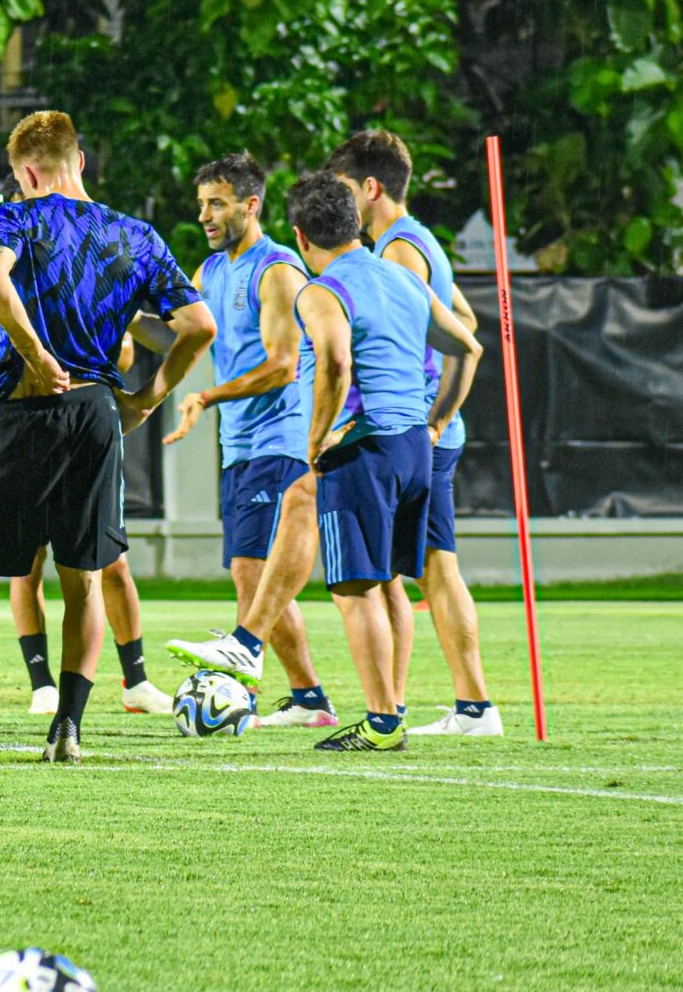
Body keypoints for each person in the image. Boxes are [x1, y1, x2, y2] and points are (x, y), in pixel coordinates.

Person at [0, 111, 213, 764]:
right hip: (96, 412)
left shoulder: (18, 220)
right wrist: (149, 397)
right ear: (80, 161)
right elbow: (196, 326)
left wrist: (34, 351)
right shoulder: (136, 235)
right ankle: (68, 728)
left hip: (32, 407)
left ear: (27, 173)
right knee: (82, 576)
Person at [272, 173, 481, 752]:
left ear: (299, 235)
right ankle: (392, 709)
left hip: (364, 451)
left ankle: (383, 722)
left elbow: (336, 361)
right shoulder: (403, 277)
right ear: (357, 223)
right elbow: (469, 346)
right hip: (417, 447)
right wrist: (436, 420)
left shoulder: (321, 289)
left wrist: (317, 439)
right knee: (388, 581)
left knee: (355, 590)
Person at [158, 152, 337, 728]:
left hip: (281, 436)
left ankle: (247, 687)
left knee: (248, 570)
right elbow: (175, 328)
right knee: (249, 573)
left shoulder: (278, 268)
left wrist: (207, 397)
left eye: (218, 203)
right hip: (240, 443)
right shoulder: (210, 272)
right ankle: (308, 698)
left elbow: (284, 366)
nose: (206, 215)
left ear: (250, 205)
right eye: (202, 204)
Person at [330, 130, 499, 737]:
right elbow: (467, 322)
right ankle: (456, 705)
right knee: (428, 569)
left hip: (409, 432)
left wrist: (434, 416)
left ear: (370, 189)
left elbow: (451, 339)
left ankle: (439, 707)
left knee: (412, 572)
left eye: (345, 190)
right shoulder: (416, 238)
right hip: (422, 430)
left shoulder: (398, 252)